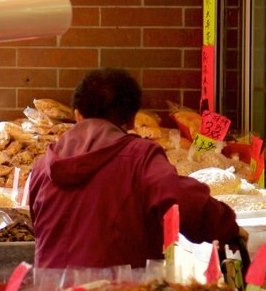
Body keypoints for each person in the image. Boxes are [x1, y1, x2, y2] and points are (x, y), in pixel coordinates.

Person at [28, 67, 245, 270]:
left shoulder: (42, 167)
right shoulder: (140, 158)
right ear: (132, 120)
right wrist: (227, 229)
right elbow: (180, 199)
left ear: (77, 115)